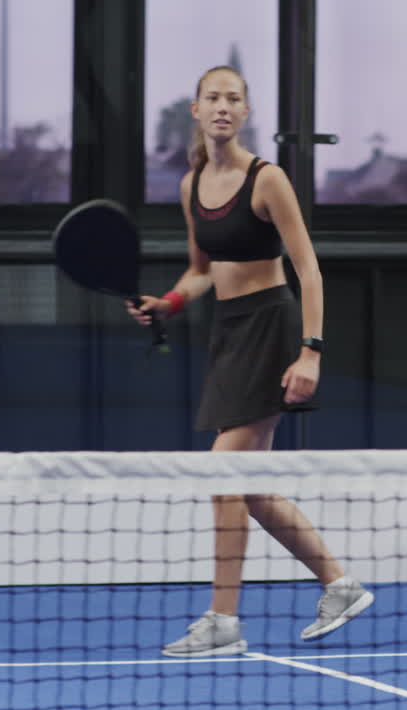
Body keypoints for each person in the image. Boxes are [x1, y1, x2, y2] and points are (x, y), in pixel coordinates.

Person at [128, 65, 372, 657]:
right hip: (229, 331)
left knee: (223, 472)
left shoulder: (267, 179)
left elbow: (308, 269)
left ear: (245, 111)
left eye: (233, 98)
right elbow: (202, 270)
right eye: (212, 97)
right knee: (250, 486)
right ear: (196, 109)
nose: (222, 107)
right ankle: (340, 585)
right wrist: (169, 303)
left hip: (273, 326)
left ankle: (223, 620)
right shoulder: (191, 185)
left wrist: (311, 351)